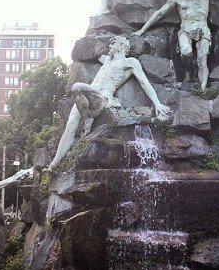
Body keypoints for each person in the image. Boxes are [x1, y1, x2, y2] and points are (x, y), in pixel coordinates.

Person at [48, 36, 171, 170]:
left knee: (77, 86)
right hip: (87, 94)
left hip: (102, 96)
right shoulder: (106, 60)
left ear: (122, 45)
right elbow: (93, 52)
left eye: (112, 43)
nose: (110, 46)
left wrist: (157, 103)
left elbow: (144, 83)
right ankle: (54, 164)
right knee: (70, 124)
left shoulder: (130, 62)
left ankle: (88, 118)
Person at [134, 0, 211, 89]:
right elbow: (160, 13)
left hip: (202, 29)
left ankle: (203, 89)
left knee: (202, 59)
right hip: (186, 30)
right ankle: (189, 70)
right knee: (186, 52)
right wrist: (142, 30)